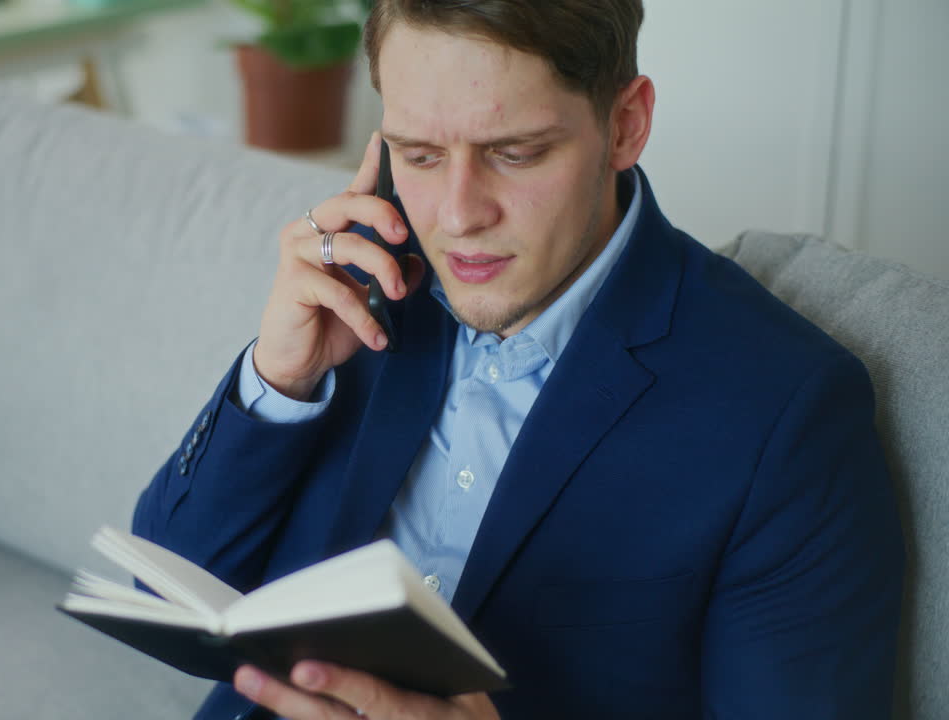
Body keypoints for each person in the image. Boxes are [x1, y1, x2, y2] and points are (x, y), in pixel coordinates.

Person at [132, 1, 905, 717]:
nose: (460, 216)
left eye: (515, 152)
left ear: (626, 125)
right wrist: (279, 380)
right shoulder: (362, 283)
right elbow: (164, 601)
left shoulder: (787, 412)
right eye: (420, 155)